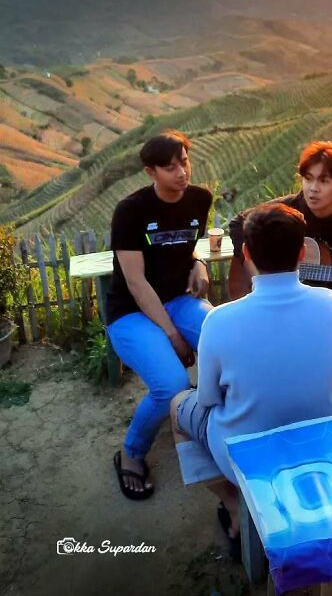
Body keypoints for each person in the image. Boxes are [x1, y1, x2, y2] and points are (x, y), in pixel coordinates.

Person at [171, 202, 332, 553]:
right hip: (325, 436)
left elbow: (207, 400)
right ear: (301, 252)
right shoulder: (329, 302)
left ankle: (234, 504)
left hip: (246, 454)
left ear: (246, 253)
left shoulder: (220, 320)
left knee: (177, 405)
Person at [106, 129, 212, 500]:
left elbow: (184, 248)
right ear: (151, 173)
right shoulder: (131, 211)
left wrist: (199, 263)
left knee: (224, 342)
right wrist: (173, 334)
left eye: (184, 162)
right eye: (170, 168)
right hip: (132, 312)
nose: (181, 173)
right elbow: (135, 282)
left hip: (179, 299)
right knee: (171, 385)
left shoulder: (200, 199)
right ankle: (132, 453)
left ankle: (218, 422)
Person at [228, 141, 332, 315]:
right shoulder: (291, 207)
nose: (313, 189)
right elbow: (238, 223)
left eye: (323, 181)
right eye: (308, 179)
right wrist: (252, 264)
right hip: (282, 296)